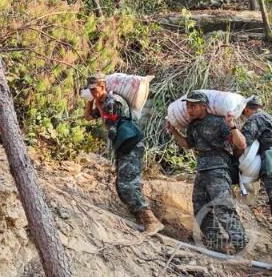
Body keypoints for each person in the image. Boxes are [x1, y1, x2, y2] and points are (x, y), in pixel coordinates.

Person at [83, 72, 164, 235]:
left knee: (126, 185)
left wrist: (98, 105)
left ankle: (151, 221)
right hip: (124, 144)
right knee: (121, 186)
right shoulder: (103, 101)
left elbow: (110, 128)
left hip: (131, 142)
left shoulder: (111, 102)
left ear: (102, 86)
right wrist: (91, 101)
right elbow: (87, 117)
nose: (93, 92)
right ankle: (143, 220)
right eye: (90, 90)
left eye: (95, 90)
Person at [167, 91, 247, 253]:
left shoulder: (219, 122)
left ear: (204, 106)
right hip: (202, 170)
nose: (189, 109)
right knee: (200, 209)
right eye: (188, 106)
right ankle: (218, 243)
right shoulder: (193, 125)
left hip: (219, 168)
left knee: (223, 207)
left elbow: (241, 144)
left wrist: (231, 125)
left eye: (193, 106)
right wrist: (173, 131)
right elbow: (188, 144)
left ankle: (240, 243)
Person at [241, 96, 272, 213]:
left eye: (244, 113)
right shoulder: (269, 117)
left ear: (247, 110)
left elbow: (244, 142)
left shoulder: (254, 119)